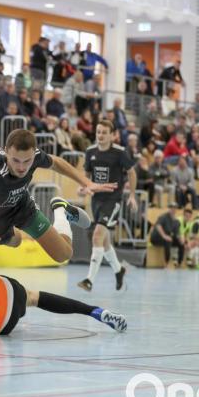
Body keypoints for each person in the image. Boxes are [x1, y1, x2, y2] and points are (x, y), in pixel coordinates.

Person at [0, 129, 112, 263]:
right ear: (6, 151)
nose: (21, 167)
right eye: (16, 160)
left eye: (27, 161)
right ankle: (11, 231)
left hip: (21, 206)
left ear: (33, 154)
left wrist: (86, 182)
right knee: (16, 241)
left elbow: (56, 162)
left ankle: (61, 211)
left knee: (63, 255)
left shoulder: (35, 155)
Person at [78, 121, 137, 292]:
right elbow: (86, 176)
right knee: (104, 241)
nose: (101, 135)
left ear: (112, 135)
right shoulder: (90, 152)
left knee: (97, 235)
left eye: (104, 132)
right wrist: (84, 187)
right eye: (98, 132)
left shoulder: (119, 152)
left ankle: (89, 280)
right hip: (96, 200)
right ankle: (119, 270)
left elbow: (132, 172)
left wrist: (132, 195)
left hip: (113, 200)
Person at [150, 202, 185, 269]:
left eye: (174, 208)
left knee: (181, 244)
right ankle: (166, 263)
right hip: (156, 237)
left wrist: (181, 239)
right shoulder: (163, 217)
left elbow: (177, 233)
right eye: (171, 208)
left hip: (167, 238)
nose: (173, 209)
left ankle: (179, 263)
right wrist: (164, 236)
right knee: (168, 241)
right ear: (169, 209)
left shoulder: (176, 221)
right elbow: (158, 226)